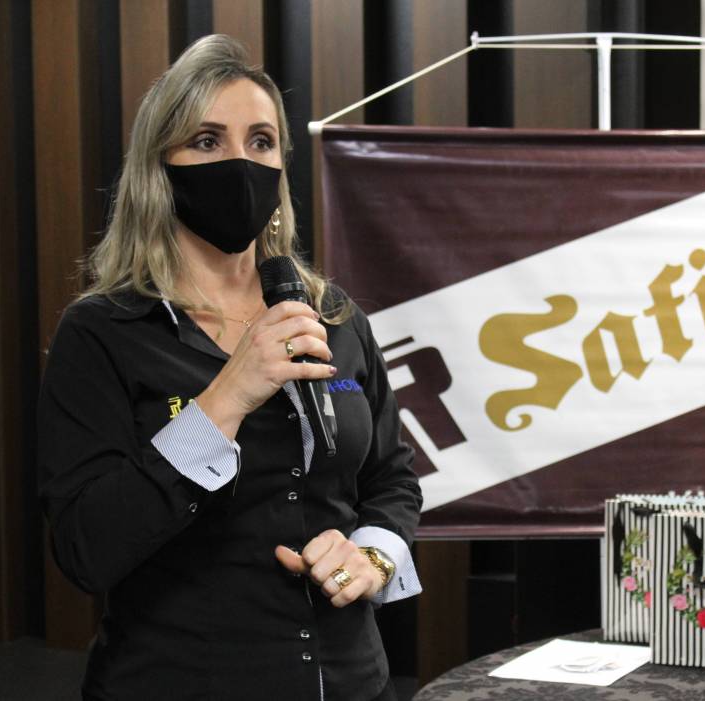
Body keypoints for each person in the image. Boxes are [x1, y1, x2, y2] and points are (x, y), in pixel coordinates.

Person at [37, 35, 422, 701]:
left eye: (261, 141)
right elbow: (84, 548)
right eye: (208, 140)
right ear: (160, 166)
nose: (240, 162)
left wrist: (373, 556)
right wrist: (227, 396)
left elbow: (393, 478)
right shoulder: (103, 332)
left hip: (354, 682)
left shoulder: (334, 319)